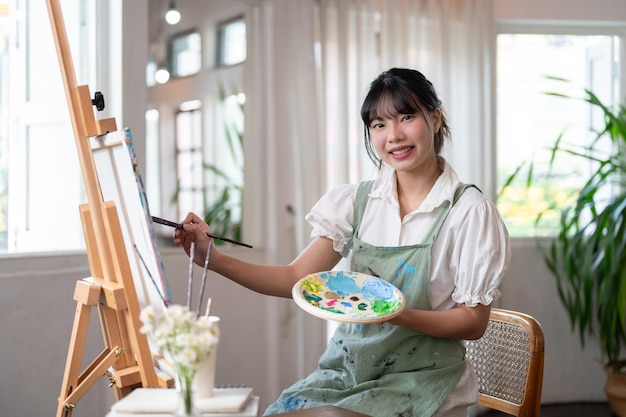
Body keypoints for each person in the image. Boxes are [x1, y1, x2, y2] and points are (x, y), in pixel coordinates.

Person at [173, 67, 511, 417]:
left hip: (425, 381)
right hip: (348, 373)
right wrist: (210, 256)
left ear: (435, 119)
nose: (393, 135)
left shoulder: (469, 212)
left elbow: (474, 321)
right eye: (379, 124)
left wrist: (398, 315)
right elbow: (295, 278)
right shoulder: (356, 202)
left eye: (406, 117)